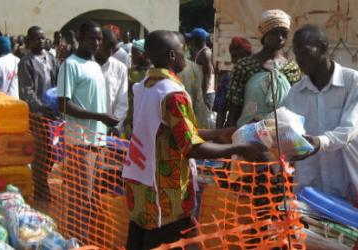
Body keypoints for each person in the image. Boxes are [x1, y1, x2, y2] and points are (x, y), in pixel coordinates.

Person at [122, 30, 266, 250]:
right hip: (166, 196)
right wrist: (240, 148)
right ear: (172, 55)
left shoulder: (145, 86)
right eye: (182, 50)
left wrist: (217, 134)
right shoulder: (172, 93)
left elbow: (172, 132)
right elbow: (191, 147)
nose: (186, 55)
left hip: (142, 187)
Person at [57, 20, 119, 237]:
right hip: (80, 142)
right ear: (81, 38)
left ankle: (84, 239)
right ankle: (75, 240)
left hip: (99, 143)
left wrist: (106, 124)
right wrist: (99, 116)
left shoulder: (94, 65)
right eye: (92, 38)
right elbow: (63, 104)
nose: (96, 42)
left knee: (91, 199)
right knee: (80, 198)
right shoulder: (70, 65)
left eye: (99, 39)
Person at [284, 25, 358, 204]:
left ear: (324, 48)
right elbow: (287, 134)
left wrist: (320, 142)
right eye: (296, 53)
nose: (299, 59)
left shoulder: (353, 82)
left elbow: (350, 129)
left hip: (349, 188)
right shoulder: (295, 93)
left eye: (304, 52)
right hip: (309, 191)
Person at [224, 10, 301, 128]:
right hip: (249, 135)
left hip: (283, 135)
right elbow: (235, 107)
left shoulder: (291, 69)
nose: (280, 37)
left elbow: (297, 107)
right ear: (264, 34)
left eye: (284, 33)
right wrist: (230, 135)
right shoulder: (245, 66)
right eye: (274, 32)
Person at [18, 26, 59, 202]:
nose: (41, 42)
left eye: (43, 38)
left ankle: (42, 184)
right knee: (41, 154)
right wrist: (41, 107)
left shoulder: (50, 58)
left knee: (52, 153)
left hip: (53, 114)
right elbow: (26, 90)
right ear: (29, 41)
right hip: (37, 116)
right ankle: (42, 192)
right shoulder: (26, 62)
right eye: (37, 39)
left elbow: (58, 82)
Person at [94, 28, 128, 136]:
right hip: (84, 130)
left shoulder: (120, 68)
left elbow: (122, 103)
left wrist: (115, 127)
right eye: (107, 47)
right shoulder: (85, 66)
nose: (110, 52)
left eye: (113, 48)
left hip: (109, 132)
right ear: (98, 43)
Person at [213, 37, 252, 128]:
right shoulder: (226, 80)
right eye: (235, 56)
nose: (239, 61)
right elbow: (221, 111)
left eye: (242, 56)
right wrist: (218, 135)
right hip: (234, 128)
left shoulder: (256, 78)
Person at [123, 39, 151, 139]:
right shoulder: (130, 73)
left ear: (144, 54)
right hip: (130, 121)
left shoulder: (153, 73)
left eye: (135, 53)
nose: (132, 55)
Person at [186, 27, 215, 111]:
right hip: (201, 93)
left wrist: (203, 96)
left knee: (207, 120)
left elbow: (207, 75)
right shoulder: (199, 52)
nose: (191, 41)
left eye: (192, 39)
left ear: (197, 40)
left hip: (206, 94)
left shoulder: (205, 53)